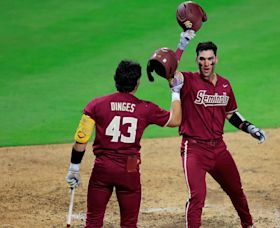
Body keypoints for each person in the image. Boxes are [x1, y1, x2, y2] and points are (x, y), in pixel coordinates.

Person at [65, 59, 183, 227]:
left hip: (102, 169)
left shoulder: (95, 105)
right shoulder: (146, 108)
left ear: (116, 79)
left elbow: (80, 140)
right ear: (137, 84)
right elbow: (176, 119)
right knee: (129, 223)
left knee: (93, 221)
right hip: (130, 169)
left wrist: (74, 168)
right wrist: (175, 91)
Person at [174, 30, 266, 228]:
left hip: (219, 149)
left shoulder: (225, 84)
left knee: (236, 190)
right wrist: (182, 45)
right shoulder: (188, 81)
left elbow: (231, 113)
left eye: (210, 59)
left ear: (216, 59)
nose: (206, 63)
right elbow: (169, 73)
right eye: (202, 59)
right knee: (197, 197)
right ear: (197, 60)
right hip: (195, 150)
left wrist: (250, 127)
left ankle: (248, 224)